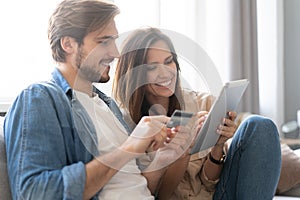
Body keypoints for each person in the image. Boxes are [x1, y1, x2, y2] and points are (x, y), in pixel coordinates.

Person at [3, 1, 194, 199]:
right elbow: (34, 193)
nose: (115, 53)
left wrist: (164, 157)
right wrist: (129, 148)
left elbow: (134, 186)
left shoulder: (108, 106)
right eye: (104, 42)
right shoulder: (39, 98)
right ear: (68, 44)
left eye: (114, 41)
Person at [112, 27, 282, 200]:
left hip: (215, 196)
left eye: (169, 61)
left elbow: (209, 183)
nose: (165, 73)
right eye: (152, 67)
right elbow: (158, 195)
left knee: (259, 126)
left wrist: (217, 147)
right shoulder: (126, 124)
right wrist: (182, 152)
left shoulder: (204, 103)